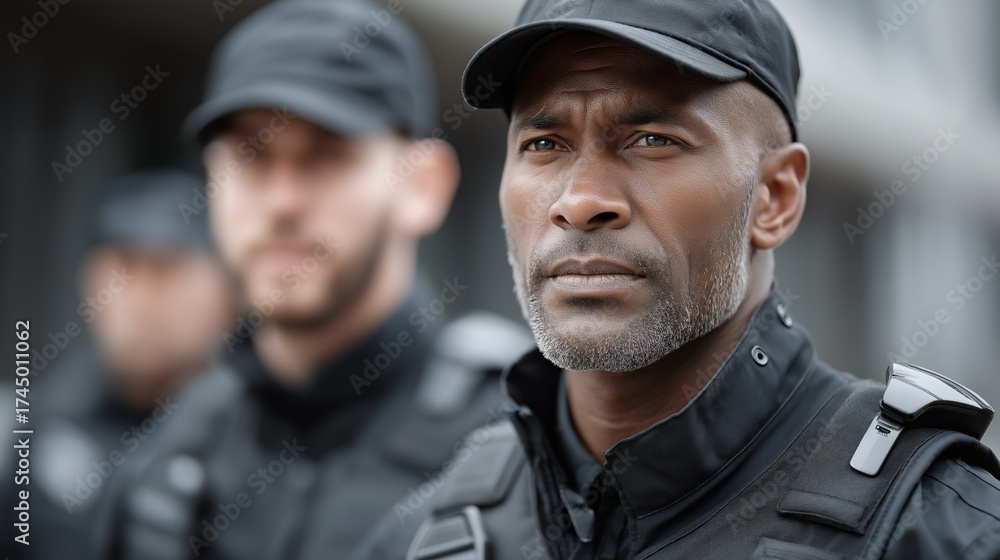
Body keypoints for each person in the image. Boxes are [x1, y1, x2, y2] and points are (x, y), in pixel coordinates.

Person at [364, 1, 1000, 559]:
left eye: (650, 139)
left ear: (774, 197)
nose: (580, 201)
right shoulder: (430, 533)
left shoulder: (939, 527)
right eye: (544, 144)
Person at [89, 1, 532, 559]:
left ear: (422, 186)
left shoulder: (523, 447)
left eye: (326, 155)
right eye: (250, 157)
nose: (282, 201)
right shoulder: (161, 470)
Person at [2, 170, 233, 560]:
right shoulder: (50, 413)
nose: (140, 301)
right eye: (123, 270)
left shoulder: (253, 438)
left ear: (227, 294)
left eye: (166, 271)